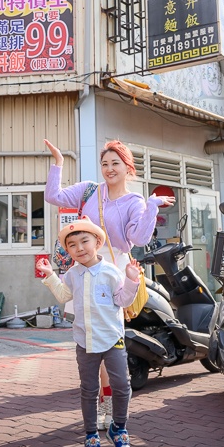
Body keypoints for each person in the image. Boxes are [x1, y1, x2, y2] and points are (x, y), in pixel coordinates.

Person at [44, 138, 175, 427]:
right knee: (92, 345)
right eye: (105, 163)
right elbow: (53, 196)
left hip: (114, 273)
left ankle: (107, 405)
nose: (109, 168)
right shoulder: (89, 190)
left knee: (108, 345)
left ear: (128, 167)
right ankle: (102, 402)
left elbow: (139, 239)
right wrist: (58, 163)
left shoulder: (134, 202)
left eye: (115, 163)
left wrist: (152, 206)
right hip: (83, 268)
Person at [36, 217, 140, 447]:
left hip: (113, 338)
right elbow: (63, 296)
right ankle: (91, 435)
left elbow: (123, 300)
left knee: (122, 386)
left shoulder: (111, 272)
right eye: (72, 245)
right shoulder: (72, 274)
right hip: (85, 341)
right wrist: (51, 275)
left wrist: (133, 280)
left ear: (97, 242)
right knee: (89, 389)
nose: (79, 248)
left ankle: (119, 428)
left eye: (85, 241)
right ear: (68, 250)